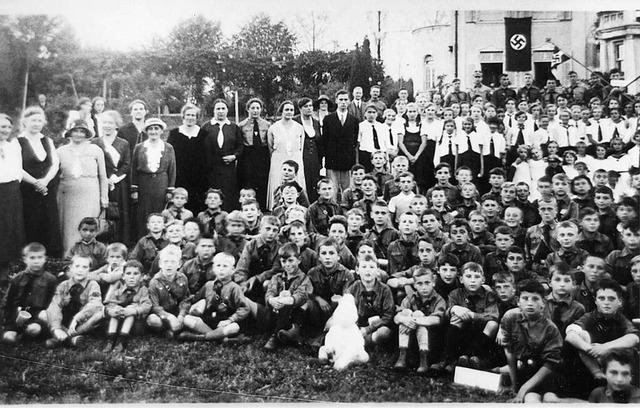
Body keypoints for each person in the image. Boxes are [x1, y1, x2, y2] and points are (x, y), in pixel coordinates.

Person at [499, 279, 563, 403]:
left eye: (535, 299)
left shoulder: (550, 329)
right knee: (530, 399)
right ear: (518, 301)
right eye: (525, 298)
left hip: (545, 374)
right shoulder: (510, 318)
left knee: (547, 399)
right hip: (523, 370)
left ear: (543, 303)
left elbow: (549, 365)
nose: (530, 303)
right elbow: (510, 353)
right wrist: (514, 385)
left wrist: (522, 390)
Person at [57, 119, 108, 253]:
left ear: (86, 134)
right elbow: (54, 174)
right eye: (75, 131)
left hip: (90, 194)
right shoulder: (61, 151)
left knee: (88, 224)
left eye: (82, 131)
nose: (78, 134)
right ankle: (69, 256)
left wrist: (104, 197)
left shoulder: (95, 150)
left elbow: (103, 176)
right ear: (69, 133)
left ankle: (89, 255)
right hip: (67, 195)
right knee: (69, 226)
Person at [18, 106, 62, 257]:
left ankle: (50, 257)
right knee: (31, 221)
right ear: (25, 121)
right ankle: (31, 256)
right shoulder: (18, 142)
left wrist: (45, 181)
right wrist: (35, 182)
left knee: (48, 220)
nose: (36, 124)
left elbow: (55, 163)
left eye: (39, 120)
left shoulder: (47, 140)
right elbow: (17, 167)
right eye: (33, 120)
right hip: (27, 189)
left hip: (47, 188)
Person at [180, 252, 250, 342]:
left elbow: (244, 308)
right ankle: (221, 338)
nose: (221, 269)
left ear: (232, 270)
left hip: (224, 321)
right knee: (188, 319)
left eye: (225, 266)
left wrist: (230, 320)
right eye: (218, 266)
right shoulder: (209, 285)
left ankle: (200, 338)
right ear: (213, 268)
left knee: (234, 327)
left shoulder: (234, 288)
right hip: (208, 320)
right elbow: (194, 299)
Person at [393, 267, 446, 373]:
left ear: (433, 283)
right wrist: (405, 320)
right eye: (420, 284)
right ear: (415, 285)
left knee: (418, 315)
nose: (424, 287)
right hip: (412, 337)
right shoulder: (410, 298)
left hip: (432, 339)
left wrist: (414, 320)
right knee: (405, 314)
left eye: (427, 283)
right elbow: (396, 317)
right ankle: (402, 355)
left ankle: (424, 359)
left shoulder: (439, 299)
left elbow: (437, 320)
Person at [1, 242, 56, 344]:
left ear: (45, 259)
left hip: (36, 316)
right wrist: (10, 317)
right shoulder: (17, 278)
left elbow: (52, 303)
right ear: (25, 259)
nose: (36, 261)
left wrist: (43, 317)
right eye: (32, 258)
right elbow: (7, 301)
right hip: (17, 314)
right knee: (8, 338)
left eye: (39, 257)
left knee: (34, 330)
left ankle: (24, 336)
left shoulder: (50, 279)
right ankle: (16, 334)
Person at [131, 118, 176, 239]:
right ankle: (144, 240)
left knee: (160, 211)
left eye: (156, 128)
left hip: (161, 183)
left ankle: (160, 240)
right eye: (150, 129)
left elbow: (172, 169)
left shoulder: (168, 147)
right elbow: (133, 169)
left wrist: (170, 190)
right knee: (143, 213)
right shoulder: (139, 147)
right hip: (144, 183)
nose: (153, 131)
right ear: (146, 131)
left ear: (161, 131)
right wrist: (134, 189)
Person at [45, 254, 104, 348]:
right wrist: (56, 326)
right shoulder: (64, 285)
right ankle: (68, 338)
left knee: (99, 314)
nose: (80, 270)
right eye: (77, 266)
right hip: (64, 320)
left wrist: (76, 319)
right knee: (47, 313)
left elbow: (95, 303)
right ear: (71, 268)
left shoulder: (93, 284)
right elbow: (55, 305)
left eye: (84, 267)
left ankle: (61, 338)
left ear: (89, 270)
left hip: (81, 322)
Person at [263, 243, 313, 350]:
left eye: (291, 260)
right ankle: (285, 334)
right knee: (278, 296)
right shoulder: (277, 277)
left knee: (300, 299)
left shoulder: (303, 278)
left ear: (299, 260)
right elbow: (270, 291)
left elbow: (301, 295)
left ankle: (278, 336)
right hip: (276, 313)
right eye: (283, 261)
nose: (287, 264)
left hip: (293, 313)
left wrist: (286, 300)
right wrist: (272, 300)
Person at [93, 110, 131, 245]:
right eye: (104, 123)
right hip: (99, 183)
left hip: (119, 183)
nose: (107, 126)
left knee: (119, 212)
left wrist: (114, 178)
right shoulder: (95, 142)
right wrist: (104, 179)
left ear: (116, 125)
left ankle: (119, 243)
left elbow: (127, 164)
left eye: (110, 123)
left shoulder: (123, 143)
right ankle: (101, 242)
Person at [201, 99, 244, 211]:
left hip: (228, 169)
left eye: (223, 108)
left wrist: (234, 156)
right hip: (211, 169)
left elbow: (240, 146)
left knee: (229, 195)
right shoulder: (206, 127)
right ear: (214, 110)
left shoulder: (234, 127)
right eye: (218, 109)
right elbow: (200, 147)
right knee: (212, 195)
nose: (221, 111)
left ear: (227, 110)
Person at [167, 103, 207, 214]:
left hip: (198, 177)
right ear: (183, 116)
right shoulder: (174, 134)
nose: (190, 118)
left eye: (193, 115)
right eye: (188, 115)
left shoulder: (203, 134)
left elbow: (207, 156)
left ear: (197, 117)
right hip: (180, 176)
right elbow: (169, 156)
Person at [103, 260, 151, 352]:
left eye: (135, 274)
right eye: (128, 273)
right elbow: (109, 303)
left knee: (130, 310)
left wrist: (133, 311)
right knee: (115, 311)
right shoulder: (118, 290)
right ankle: (111, 340)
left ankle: (122, 341)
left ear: (141, 277)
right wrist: (115, 310)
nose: (132, 277)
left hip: (135, 324)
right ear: (123, 276)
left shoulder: (143, 290)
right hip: (118, 320)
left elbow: (147, 305)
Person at [266, 101, 305, 211]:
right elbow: (270, 146)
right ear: (281, 111)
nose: (289, 112)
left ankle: (297, 205)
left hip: (295, 157)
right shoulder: (273, 128)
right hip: (278, 158)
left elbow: (301, 146)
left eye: (291, 110)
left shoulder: (299, 127)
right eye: (286, 110)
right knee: (279, 179)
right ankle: (277, 207)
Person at [146, 245, 191, 339]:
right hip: (162, 315)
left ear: (179, 264)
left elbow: (185, 299)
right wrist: (169, 317)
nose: (169, 265)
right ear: (160, 264)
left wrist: (181, 315)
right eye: (166, 262)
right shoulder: (154, 282)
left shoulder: (183, 278)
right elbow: (155, 306)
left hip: (176, 311)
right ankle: (166, 331)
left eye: (173, 262)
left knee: (187, 318)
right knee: (153, 320)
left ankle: (176, 329)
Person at [322, 90, 360, 196]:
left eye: (345, 100)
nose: (343, 102)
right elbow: (325, 139)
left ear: (348, 101)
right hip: (332, 159)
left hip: (347, 159)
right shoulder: (328, 119)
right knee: (332, 189)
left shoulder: (354, 120)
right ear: (336, 101)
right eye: (341, 99)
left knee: (347, 189)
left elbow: (354, 140)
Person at [0, 113, 25, 268]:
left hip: (10, 191)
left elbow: (18, 170)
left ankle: (4, 268)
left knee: (8, 228)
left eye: (9, 127)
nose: (6, 130)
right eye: (3, 126)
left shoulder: (12, 146)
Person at [237, 98, 271, 211]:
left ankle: (262, 207)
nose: (255, 110)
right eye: (252, 108)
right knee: (248, 180)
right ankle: (247, 207)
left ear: (261, 109)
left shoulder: (267, 125)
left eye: (258, 108)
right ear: (248, 109)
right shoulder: (241, 125)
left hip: (262, 154)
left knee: (262, 180)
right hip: (248, 155)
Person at [294, 97, 323, 203]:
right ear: (300, 109)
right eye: (305, 106)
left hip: (315, 157)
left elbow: (320, 142)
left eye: (310, 106)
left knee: (314, 181)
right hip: (301, 156)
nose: (309, 108)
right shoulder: (295, 121)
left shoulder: (316, 122)